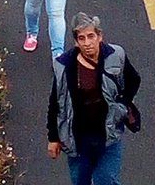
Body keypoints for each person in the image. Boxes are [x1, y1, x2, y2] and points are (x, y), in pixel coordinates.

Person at [47, 13, 141, 184]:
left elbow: (133, 80)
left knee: (106, 179)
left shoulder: (115, 55)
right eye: (81, 38)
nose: (87, 43)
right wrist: (53, 138)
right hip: (78, 139)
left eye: (91, 36)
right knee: (80, 181)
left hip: (108, 134)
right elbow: (55, 102)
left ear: (99, 36)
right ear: (76, 42)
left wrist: (121, 105)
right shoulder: (64, 65)